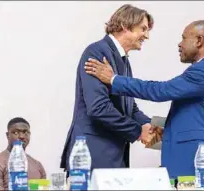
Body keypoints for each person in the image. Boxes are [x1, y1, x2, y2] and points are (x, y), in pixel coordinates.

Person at [84, 20, 204, 183]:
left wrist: (114, 79)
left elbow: (160, 91)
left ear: (199, 41)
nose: (179, 44)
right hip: (191, 166)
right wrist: (153, 129)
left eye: (184, 38)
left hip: (203, 168)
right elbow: (192, 121)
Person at [60, 4, 156, 173]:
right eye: (143, 29)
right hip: (92, 153)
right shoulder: (96, 53)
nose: (146, 36)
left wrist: (150, 125)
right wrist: (137, 131)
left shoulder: (124, 60)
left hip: (113, 153)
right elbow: (98, 107)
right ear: (125, 25)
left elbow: (129, 107)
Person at [0, 117, 46, 190]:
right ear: (7, 135)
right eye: (16, 132)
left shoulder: (37, 165)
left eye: (26, 132)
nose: (22, 136)